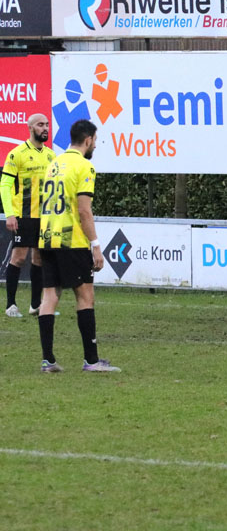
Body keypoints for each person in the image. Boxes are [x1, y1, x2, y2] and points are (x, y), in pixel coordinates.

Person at [35, 119, 118, 372]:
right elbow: (84, 210)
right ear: (88, 139)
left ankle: (48, 361)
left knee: (49, 297)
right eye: (95, 140)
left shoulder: (54, 164)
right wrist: (95, 245)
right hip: (72, 241)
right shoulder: (84, 167)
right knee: (85, 297)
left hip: (48, 238)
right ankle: (91, 362)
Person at [2, 113, 54, 318]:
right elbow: (5, 185)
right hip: (23, 216)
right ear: (30, 128)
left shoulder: (51, 155)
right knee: (18, 256)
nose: (45, 128)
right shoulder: (17, 154)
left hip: (45, 216)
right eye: (40, 125)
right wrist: (10, 214)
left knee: (40, 258)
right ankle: (11, 305)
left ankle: (35, 305)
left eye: (47, 125)